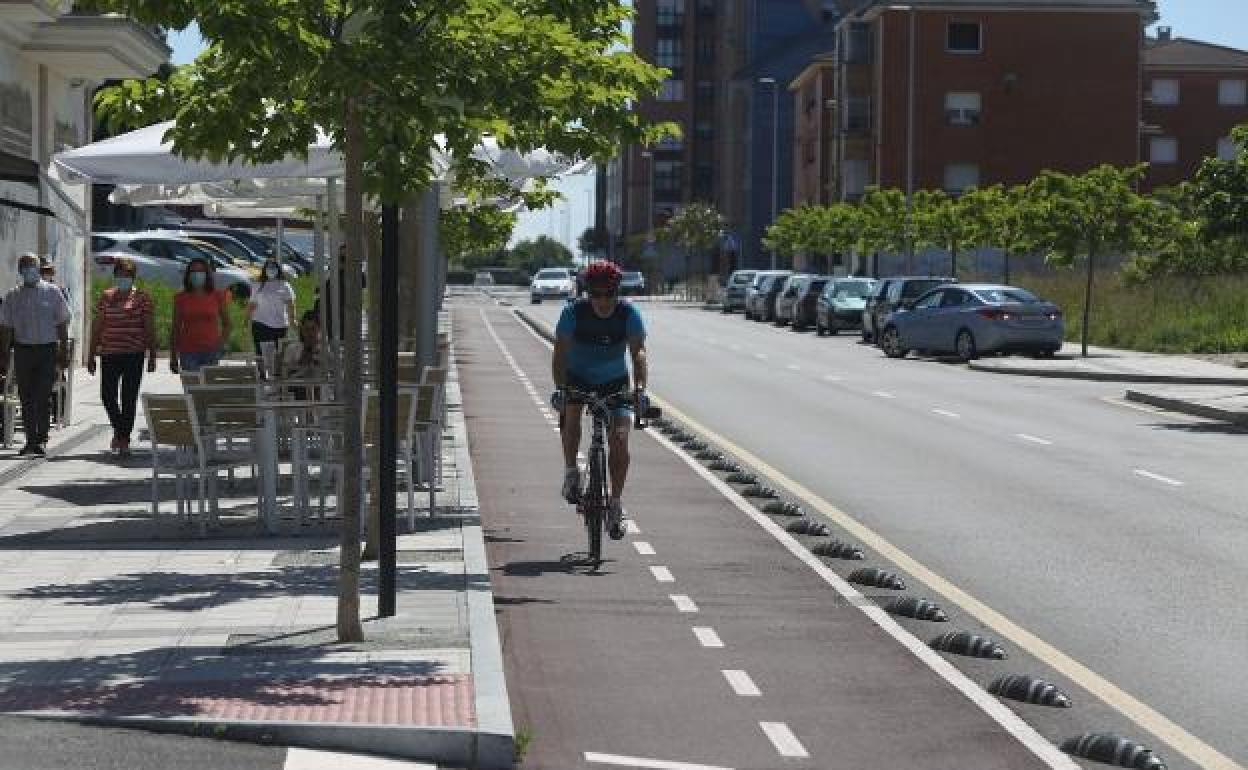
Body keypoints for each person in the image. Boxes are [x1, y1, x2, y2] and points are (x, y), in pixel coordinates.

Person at [550, 261, 648, 539]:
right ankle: (571, 472)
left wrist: (640, 389)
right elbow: (559, 353)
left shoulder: (628, 313)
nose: (603, 301)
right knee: (571, 414)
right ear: (587, 292)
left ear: (617, 292)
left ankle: (615, 504)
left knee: (619, 439)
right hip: (578, 377)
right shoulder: (573, 313)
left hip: (614, 382)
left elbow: (638, 352)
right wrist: (560, 387)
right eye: (596, 294)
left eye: (609, 294)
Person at [0, 252, 72, 456]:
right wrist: (4, 353)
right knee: (26, 396)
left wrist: (64, 349)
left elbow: (62, 323)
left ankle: (41, 437)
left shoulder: (53, 292)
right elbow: (6, 327)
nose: (28, 269)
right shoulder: (13, 296)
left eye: (31, 265)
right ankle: (31, 441)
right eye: (24, 266)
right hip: (23, 351)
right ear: (20, 271)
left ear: (38, 268)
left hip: (47, 350)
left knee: (43, 396)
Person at [87, 257, 156, 457]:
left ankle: (123, 437)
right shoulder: (106, 297)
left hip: (133, 354)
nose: (123, 279)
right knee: (107, 396)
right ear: (114, 276)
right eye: (119, 275)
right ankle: (121, 430)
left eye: (127, 276)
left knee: (128, 397)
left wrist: (151, 354)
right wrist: (91, 354)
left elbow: (149, 327)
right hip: (109, 353)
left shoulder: (142, 298)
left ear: (133, 278)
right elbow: (97, 326)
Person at [170, 257, 230, 374]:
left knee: (208, 391)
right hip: (188, 352)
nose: (197, 274)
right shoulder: (180, 298)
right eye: (193, 271)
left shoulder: (217, 295)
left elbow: (227, 324)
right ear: (188, 275)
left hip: (211, 351)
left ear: (207, 274)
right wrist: (173, 356)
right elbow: (175, 328)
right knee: (192, 390)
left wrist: (221, 345)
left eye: (201, 271)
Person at [246, 257, 296, 354]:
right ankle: (261, 369)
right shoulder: (258, 285)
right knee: (261, 353)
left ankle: (276, 369)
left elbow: (291, 304)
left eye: (274, 268)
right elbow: (252, 304)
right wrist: (246, 318)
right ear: (265, 270)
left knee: (279, 354)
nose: (271, 270)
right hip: (261, 324)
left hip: (280, 325)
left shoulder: (285, 285)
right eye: (269, 268)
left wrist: (292, 320)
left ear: (278, 270)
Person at [281, 312, 330, 380]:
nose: (310, 333)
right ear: (302, 330)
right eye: (307, 329)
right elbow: (284, 374)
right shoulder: (291, 349)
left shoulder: (325, 350)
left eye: (313, 329)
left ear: (319, 330)